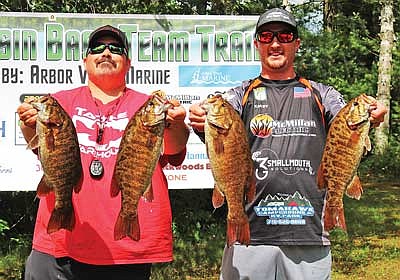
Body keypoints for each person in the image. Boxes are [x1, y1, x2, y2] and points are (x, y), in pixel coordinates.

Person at [188, 8, 387, 280]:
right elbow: (215, 127)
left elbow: (346, 128)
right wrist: (201, 115)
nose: (276, 43)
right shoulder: (238, 96)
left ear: (297, 43)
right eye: (267, 36)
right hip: (251, 233)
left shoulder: (323, 94)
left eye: (285, 35)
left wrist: (372, 116)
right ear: (257, 44)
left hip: (308, 233)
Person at [17, 25, 189, 280]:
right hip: (59, 245)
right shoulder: (59, 101)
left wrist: (173, 123)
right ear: (85, 60)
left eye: (115, 49)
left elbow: (175, 147)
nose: (106, 53)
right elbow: (43, 150)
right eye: (97, 48)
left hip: (127, 250)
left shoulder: (147, 107)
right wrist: (27, 124)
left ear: (128, 63)